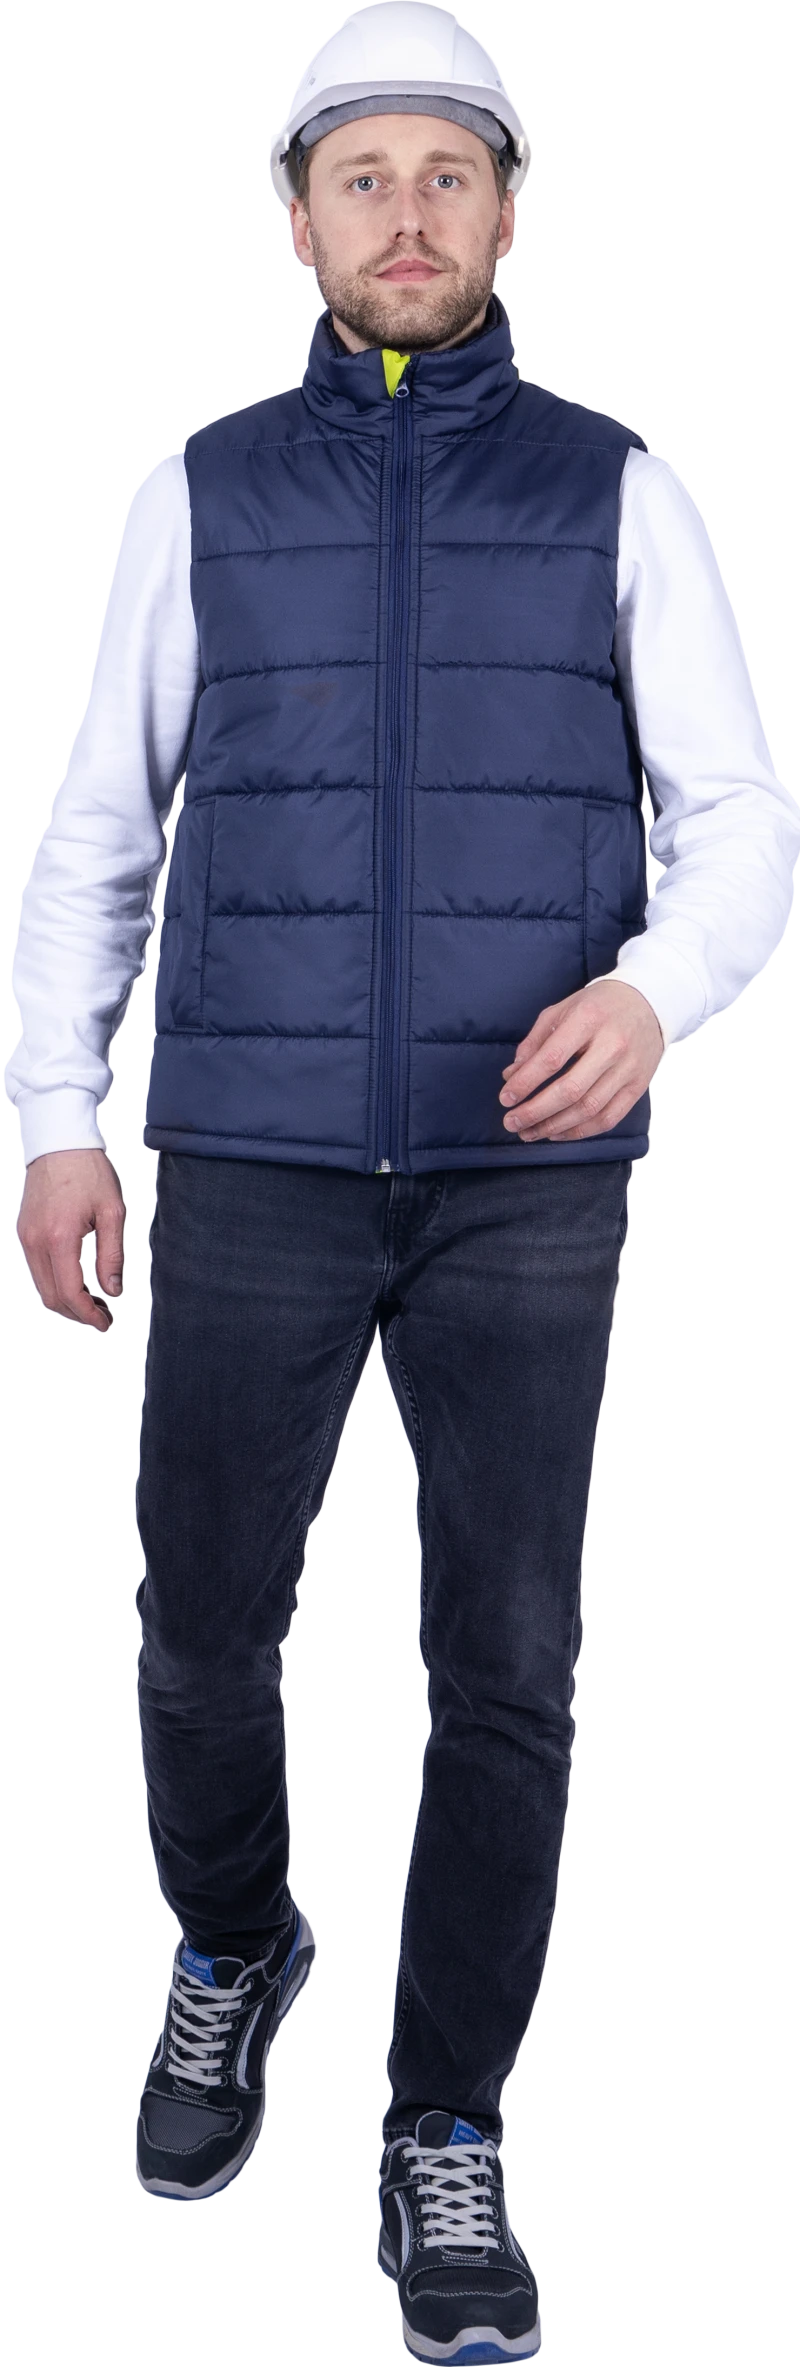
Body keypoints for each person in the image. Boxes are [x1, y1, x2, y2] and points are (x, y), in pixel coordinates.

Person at [7, 3, 799, 2353]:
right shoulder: (194, 497)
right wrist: (59, 1109)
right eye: (364, 174)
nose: (408, 211)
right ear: (297, 220)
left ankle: (445, 2115)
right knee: (198, 1628)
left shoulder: (621, 492)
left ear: (509, 213)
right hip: (246, 1153)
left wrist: (652, 995)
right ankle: (234, 1941)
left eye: (450, 171)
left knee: (507, 1668)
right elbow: (98, 834)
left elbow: (744, 823)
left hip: (519, 1176)